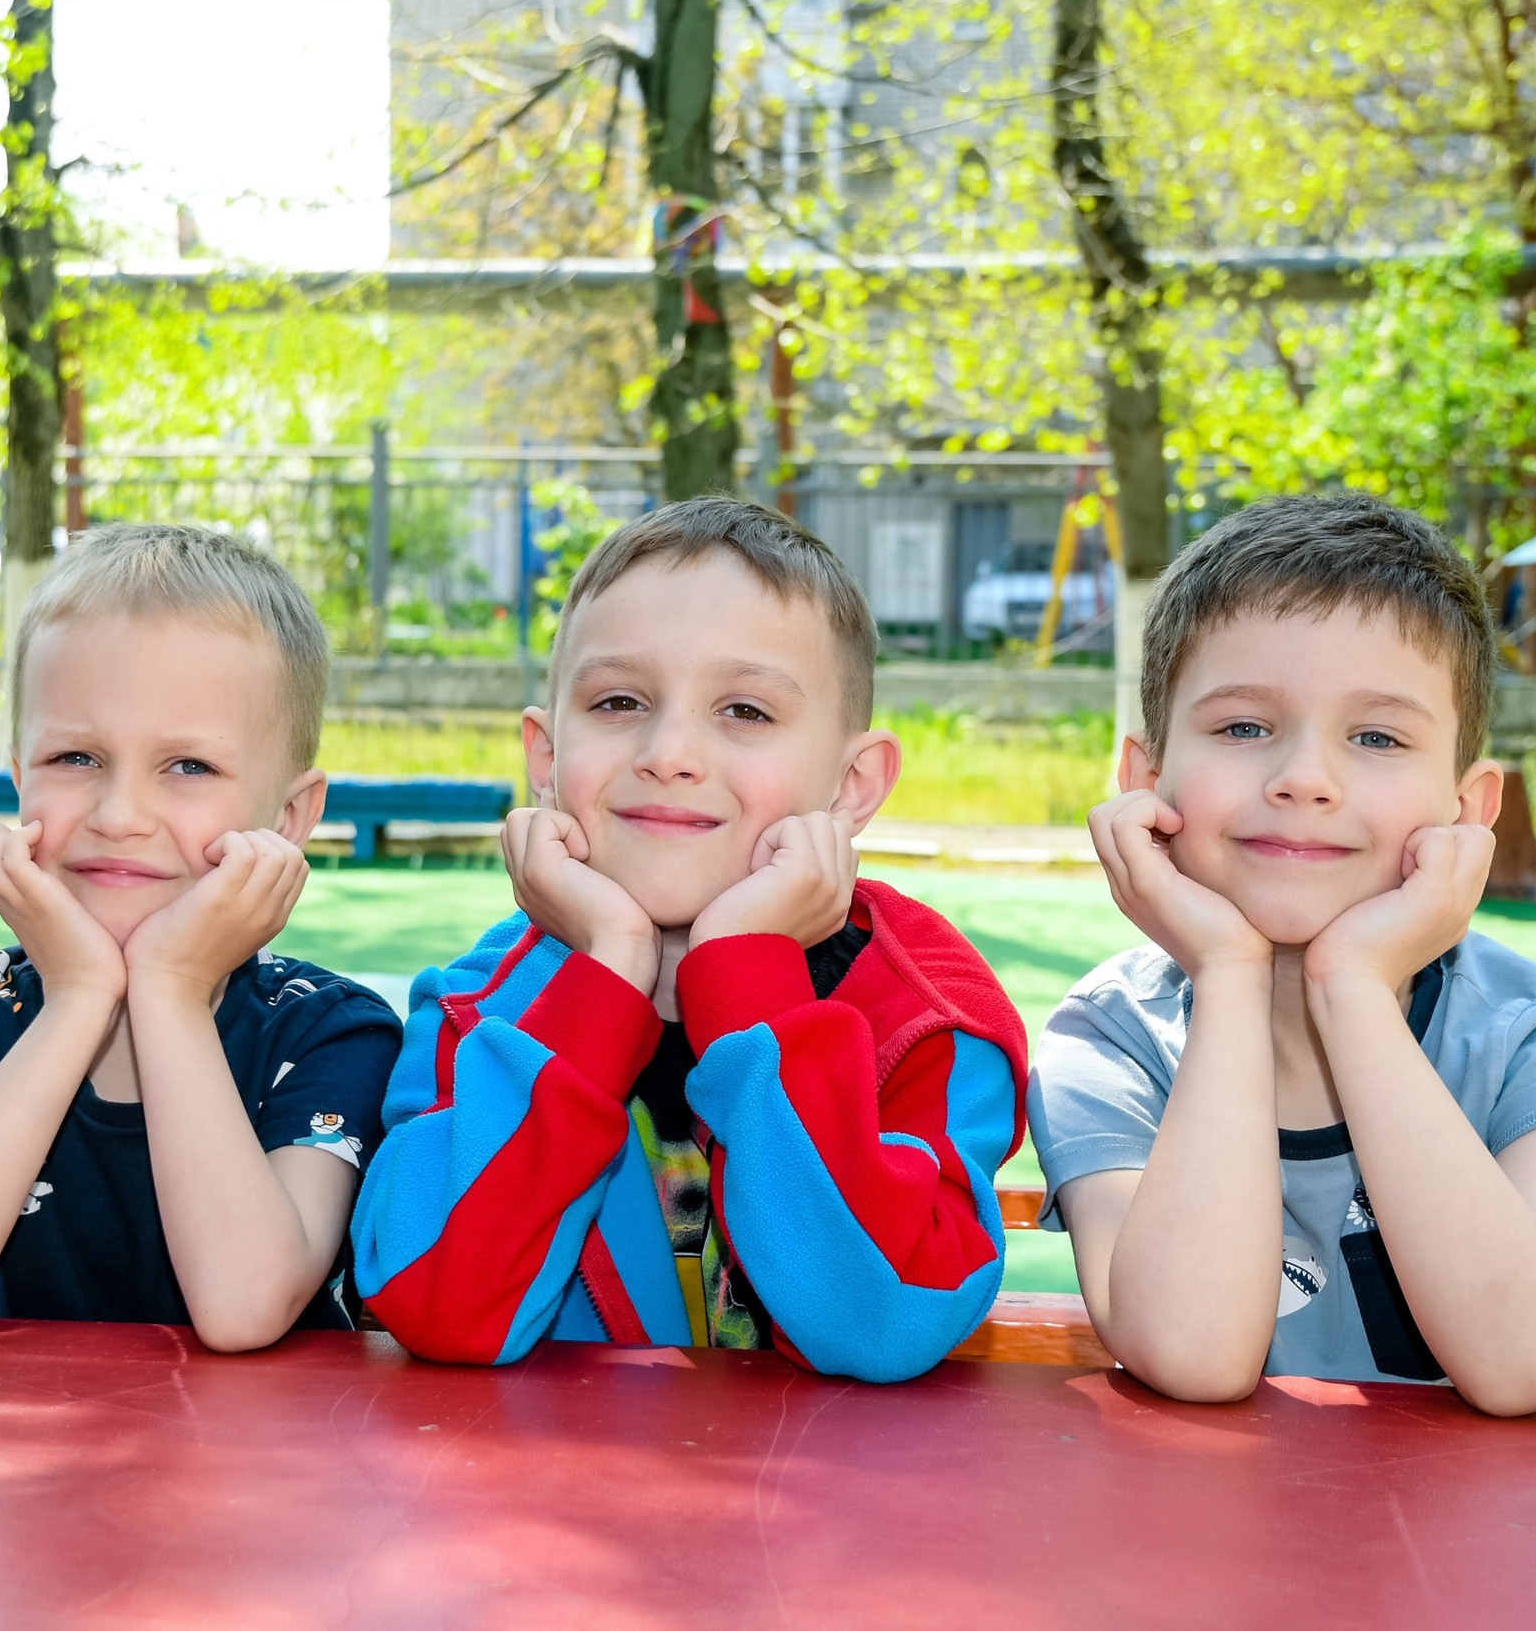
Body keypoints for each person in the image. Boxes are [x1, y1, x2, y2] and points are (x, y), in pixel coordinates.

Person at [350, 497, 1030, 1378]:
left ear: (853, 783)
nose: (669, 751)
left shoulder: (924, 1016)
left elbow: (883, 1321)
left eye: (744, 710)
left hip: (829, 1507)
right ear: (547, 756)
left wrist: (746, 971)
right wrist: (607, 971)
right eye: (620, 700)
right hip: (554, 1502)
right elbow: (437, 1302)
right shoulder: (478, 1007)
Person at [1033, 494, 1536, 1415]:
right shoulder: (1110, 1039)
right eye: (1244, 726)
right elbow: (1192, 1352)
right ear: (1143, 779)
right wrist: (1228, 973)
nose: (1304, 778)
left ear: (1470, 807)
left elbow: (1525, 1363)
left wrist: (1354, 989)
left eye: (1376, 736)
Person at [0, 525, 401, 1353]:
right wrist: (77, 996)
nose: (118, 816)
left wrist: (171, 988)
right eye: (75, 756)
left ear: (289, 818)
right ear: (19, 779)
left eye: (187, 767)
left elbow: (245, 1305)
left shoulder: (330, 1031)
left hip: (249, 1472)